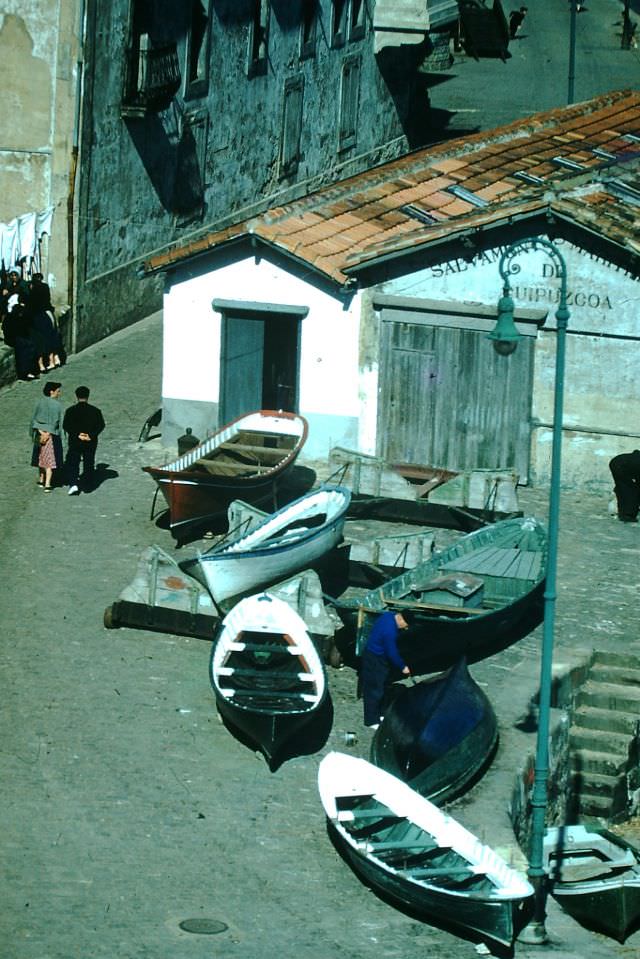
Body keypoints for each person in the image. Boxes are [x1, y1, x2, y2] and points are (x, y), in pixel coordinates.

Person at [360, 610, 411, 729]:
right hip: (375, 659)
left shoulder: (388, 616)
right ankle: (371, 720)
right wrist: (403, 667)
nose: (406, 628)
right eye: (406, 625)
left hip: (372, 653)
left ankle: (381, 713)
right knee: (374, 690)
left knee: (382, 685)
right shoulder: (390, 631)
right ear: (401, 619)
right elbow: (392, 652)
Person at [63, 386, 105, 495]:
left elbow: (66, 425)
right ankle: (88, 485)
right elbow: (101, 425)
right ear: (88, 396)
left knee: (73, 462)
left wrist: (78, 434)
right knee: (89, 462)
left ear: (76, 396)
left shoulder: (70, 410)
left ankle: (73, 484)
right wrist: (90, 435)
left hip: (75, 441)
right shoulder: (95, 411)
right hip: (90, 441)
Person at [30, 381, 64, 491]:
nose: (59, 393)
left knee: (39, 458)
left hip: (39, 434)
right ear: (51, 392)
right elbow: (57, 423)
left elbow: (34, 419)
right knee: (49, 460)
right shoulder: (57, 405)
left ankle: (41, 479)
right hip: (50, 436)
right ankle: (48, 484)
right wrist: (48, 433)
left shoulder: (39, 403)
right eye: (58, 391)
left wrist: (41, 432)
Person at [609, 450, 640, 523]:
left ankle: (626, 512)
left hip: (618, 462)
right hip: (619, 465)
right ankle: (627, 515)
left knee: (626, 488)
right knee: (628, 490)